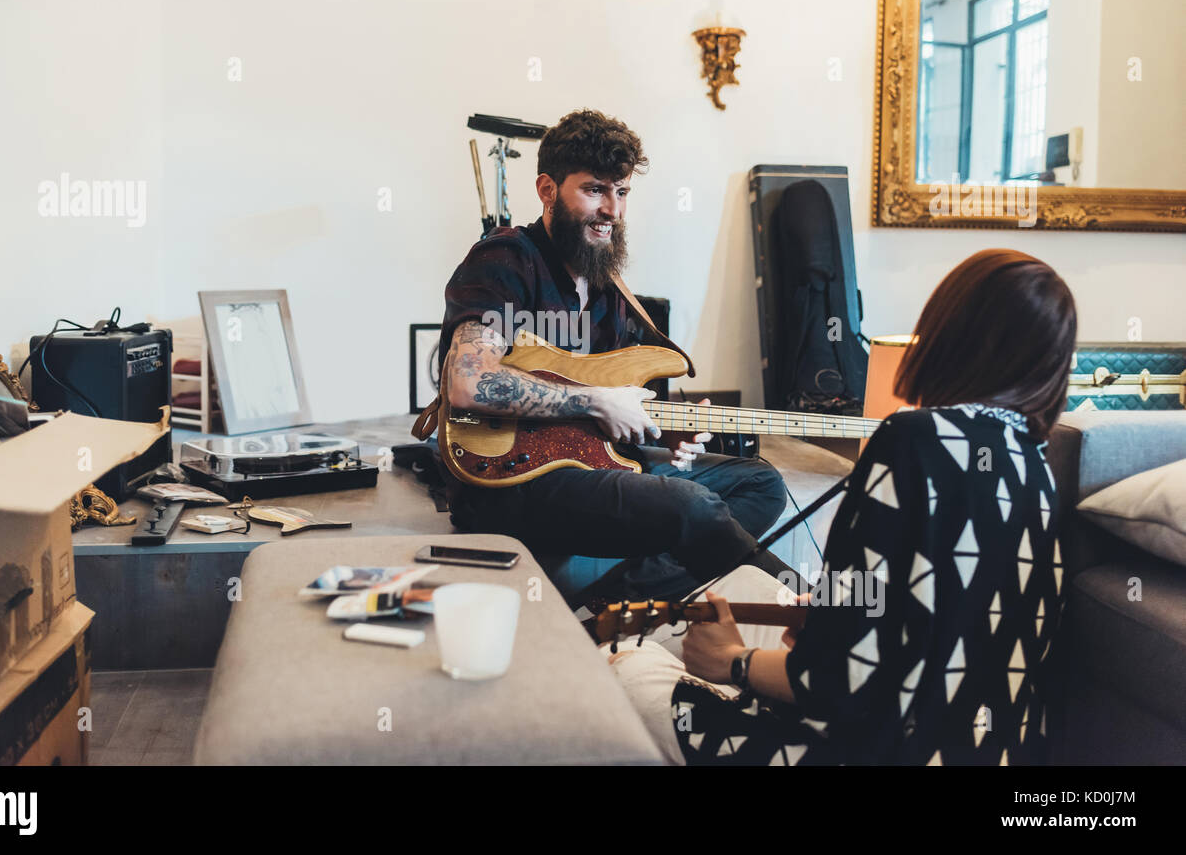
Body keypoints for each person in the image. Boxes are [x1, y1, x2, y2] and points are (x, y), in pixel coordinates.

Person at [610, 249, 1077, 765]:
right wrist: (830, 619)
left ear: (948, 330)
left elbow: (841, 683)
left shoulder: (912, 440)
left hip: (861, 749)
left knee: (627, 666)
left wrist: (733, 662)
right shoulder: (1040, 472)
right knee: (746, 583)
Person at [433, 108, 791, 601]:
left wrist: (665, 428)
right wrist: (598, 401)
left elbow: (618, 401)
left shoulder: (608, 286)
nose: (613, 210)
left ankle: (616, 603)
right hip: (508, 481)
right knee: (690, 505)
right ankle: (802, 606)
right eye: (595, 189)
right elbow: (469, 384)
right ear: (547, 190)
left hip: (592, 461)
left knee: (762, 484)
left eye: (621, 192)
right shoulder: (506, 260)